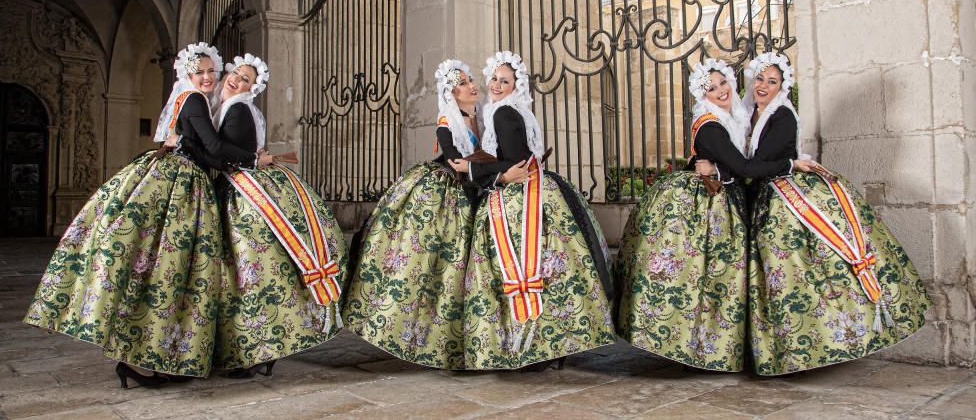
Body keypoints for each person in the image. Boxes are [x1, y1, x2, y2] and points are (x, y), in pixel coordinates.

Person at [25, 42, 264, 387]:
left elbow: (199, 146)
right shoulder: (195, 100)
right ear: (187, 74)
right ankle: (149, 358)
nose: (209, 76)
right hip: (181, 188)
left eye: (213, 70)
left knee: (158, 271)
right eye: (201, 71)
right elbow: (212, 149)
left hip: (173, 178)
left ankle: (153, 356)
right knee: (172, 270)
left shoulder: (189, 100)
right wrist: (255, 160)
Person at [736, 52, 931, 376]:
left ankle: (813, 342)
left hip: (782, 197)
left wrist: (764, 166)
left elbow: (758, 166)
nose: (763, 86)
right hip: (762, 195)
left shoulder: (782, 116)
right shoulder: (750, 113)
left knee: (793, 270)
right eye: (760, 79)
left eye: (772, 81)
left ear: (782, 86)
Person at [615, 58, 813, 372]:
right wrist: (790, 165)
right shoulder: (712, 125)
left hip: (731, 202)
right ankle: (701, 347)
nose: (720, 91)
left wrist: (716, 166)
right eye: (711, 88)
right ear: (702, 95)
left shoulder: (737, 118)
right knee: (708, 278)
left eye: (723, 83)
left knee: (719, 280)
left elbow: (735, 163)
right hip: (713, 209)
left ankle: (720, 346)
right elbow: (745, 168)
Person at [453, 51, 615, 370]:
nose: (497, 85)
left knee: (516, 265)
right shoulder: (514, 111)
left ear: (516, 85)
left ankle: (522, 346)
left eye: (505, 81)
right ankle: (551, 341)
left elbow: (515, 163)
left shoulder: (503, 115)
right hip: (539, 190)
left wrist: (473, 169)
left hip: (518, 199)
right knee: (550, 266)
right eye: (495, 79)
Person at [343, 58, 505, 369]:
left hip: (480, 184)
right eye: (462, 84)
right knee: (436, 262)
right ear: (452, 93)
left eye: (470, 80)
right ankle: (429, 335)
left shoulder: (485, 116)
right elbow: (455, 160)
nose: (471, 86)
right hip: (450, 190)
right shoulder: (447, 121)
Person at [205, 54, 348, 378]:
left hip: (244, 194)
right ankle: (253, 349)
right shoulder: (231, 106)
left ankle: (256, 350)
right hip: (242, 185)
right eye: (236, 74)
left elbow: (223, 151)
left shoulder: (239, 108)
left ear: (252, 88)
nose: (237, 81)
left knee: (247, 272)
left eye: (246, 80)